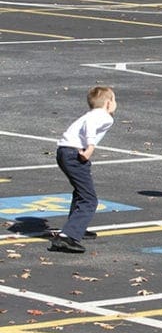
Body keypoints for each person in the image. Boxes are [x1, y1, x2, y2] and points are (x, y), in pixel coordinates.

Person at [49, 86, 117, 253]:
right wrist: (90, 148)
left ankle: (76, 227)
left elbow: (88, 124)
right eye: (114, 101)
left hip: (64, 152)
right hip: (74, 154)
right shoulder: (104, 117)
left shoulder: (92, 114)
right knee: (89, 199)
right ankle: (67, 237)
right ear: (108, 103)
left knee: (80, 191)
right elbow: (90, 127)